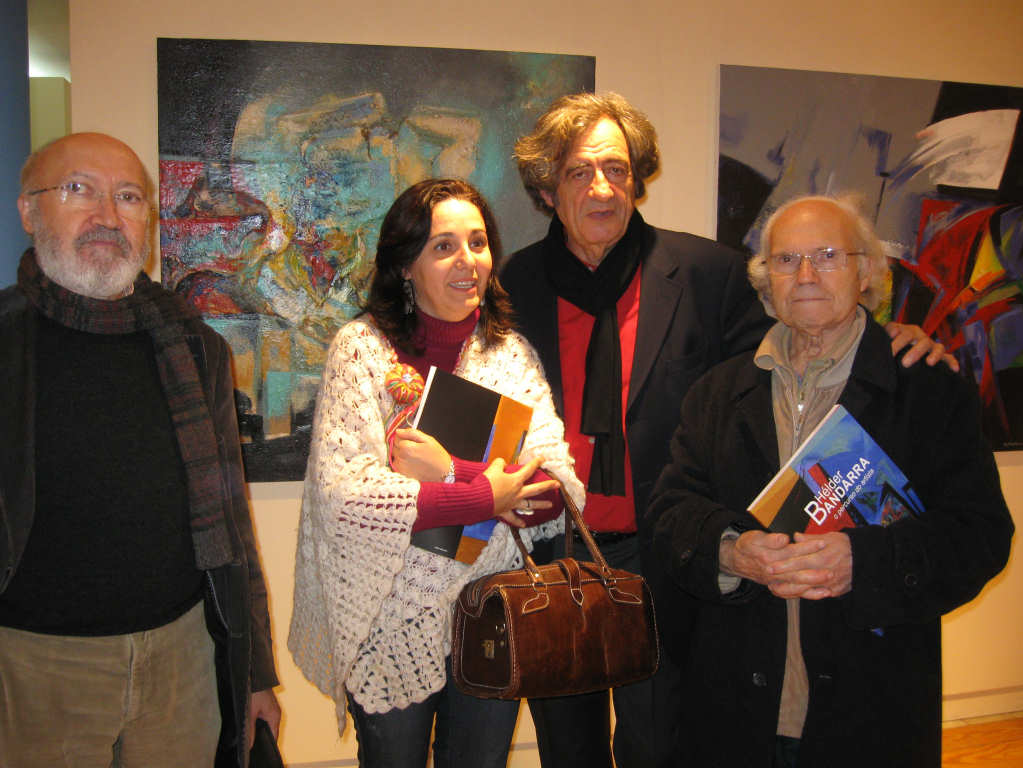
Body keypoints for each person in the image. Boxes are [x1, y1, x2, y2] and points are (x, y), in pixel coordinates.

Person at [500, 91, 954, 768]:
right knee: (568, 748)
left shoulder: (706, 275)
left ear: (638, 179)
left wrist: (892, 337)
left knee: (659, 747)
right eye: (579, 172)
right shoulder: (515, 285)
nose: (602, 188)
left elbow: (805, 338)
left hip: (664, 563)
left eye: (618, 169)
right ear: (546, 190)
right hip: (555, 558)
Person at [645, 194, 1014, 767]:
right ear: (766, 283)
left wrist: (861, 561)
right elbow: (670, 512)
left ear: (866, 272)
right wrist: (730, 550)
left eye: (827, 255)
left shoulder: (928, 389)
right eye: (786, 260)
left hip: (871, 715)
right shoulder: (717, 391)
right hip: (733, 713)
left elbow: (980, 535)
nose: (806, 275)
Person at [0, 132, 280, 767]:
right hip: (35, 669)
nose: (107, 215)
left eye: (128, 197)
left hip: (181, 665)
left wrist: (253, 670)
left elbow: (232, 524)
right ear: (29, 211)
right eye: (80, 190)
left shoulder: (197, 348)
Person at [288, 178, 584, 768]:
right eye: (443, 246)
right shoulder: (361, 350)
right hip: (387, 621)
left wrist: (454, 473)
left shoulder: (510, 356)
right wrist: (488, 495)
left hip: (490, 615)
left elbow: (556, 489)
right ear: (406, 265)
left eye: (478, 242)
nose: (467, 260)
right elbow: (345, 494)